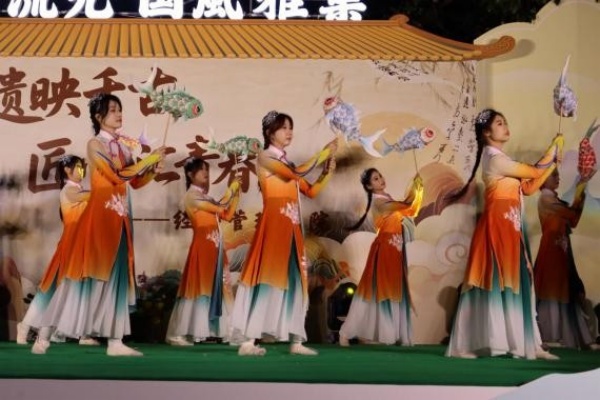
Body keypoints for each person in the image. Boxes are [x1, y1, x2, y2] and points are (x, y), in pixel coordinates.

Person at [32, 93, 165, 356]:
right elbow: (114, 175)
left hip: (121, 218)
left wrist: (151, 170)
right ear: (98, 116)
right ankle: (44, 335)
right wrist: (148, 160)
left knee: (117, 278)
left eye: (119, 109)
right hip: (99, 219)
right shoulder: (95, 145)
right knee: (80, 278)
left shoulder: (123, 148)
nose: (119, 114)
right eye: (112, 110)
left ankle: (115, 341)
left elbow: (135, 182)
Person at [446, 108, 562, 360]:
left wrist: (552, 161)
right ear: (487, 132)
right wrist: (552, 150)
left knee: (520, 281)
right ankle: (467, 345)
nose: (505, 126)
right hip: (498, 225)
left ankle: (529, 343)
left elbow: (528, 188)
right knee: (491, 281)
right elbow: (533, 172)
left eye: (505, 122)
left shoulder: (502, 158)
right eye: (499, 123)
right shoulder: (495, 159)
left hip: (511, 225)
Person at [231, 110, 337, 356]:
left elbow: (310, 191)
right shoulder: (265, 156)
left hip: (291, 227)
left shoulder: (287, 163)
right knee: (265, 277)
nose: (289, 132)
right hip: (274, 224)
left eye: (290, 127)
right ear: (270, 133)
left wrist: (328, 171)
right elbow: (295, 174)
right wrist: (322, 153)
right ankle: (249, 341)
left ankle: (296, 340)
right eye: (283, 128)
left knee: (296, 279)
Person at [17, 155, 97, 346]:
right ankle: (26, 326)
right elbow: (89, 197)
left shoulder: (78, 189)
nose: (82, 171)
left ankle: (74, 333)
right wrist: (105, 188)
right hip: (70, 247)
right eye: (78, 167)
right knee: (52, 288)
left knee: (75, 288)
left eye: (82, 167)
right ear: (68, 170)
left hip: (80, 246)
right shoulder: (69, 190)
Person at [339, 168, 423, 346]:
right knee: (378, 290)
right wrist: (414, 189)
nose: (381, 180)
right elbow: (406, 204)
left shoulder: (387, 198)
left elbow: (411, 210)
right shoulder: (378, 202)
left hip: (396, 248)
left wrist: (419, 190)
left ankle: (397, 334)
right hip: (385, 248)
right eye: (375, 179)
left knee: (394, 290)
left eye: (380, 176)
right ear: (369, 186)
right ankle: (346, 332)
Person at [166, 157, 241, 346]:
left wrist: (236, 194)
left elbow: (227, 215)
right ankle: (183, 332)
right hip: (203, 246)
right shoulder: (191, 196)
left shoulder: (206, 197)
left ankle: (224, 331)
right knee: (199, 286)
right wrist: (230, 190)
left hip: (216, 246)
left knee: (221, 288)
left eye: (207, 169)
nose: (205, 173)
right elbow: (221, 207)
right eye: (201, 170)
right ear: (190, 174)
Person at [534, 168, 599, 349]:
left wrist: (582, 185)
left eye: (557, 174)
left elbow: (573, 219)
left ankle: (565, 337)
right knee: (553, 290)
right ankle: (551, 335)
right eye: (553, 175)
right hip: (551, 251)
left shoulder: (554, 200)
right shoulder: (546, 199)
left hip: (560, 250)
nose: (558, 177)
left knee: (565, 289)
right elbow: (571, 214)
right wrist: (581, 185)